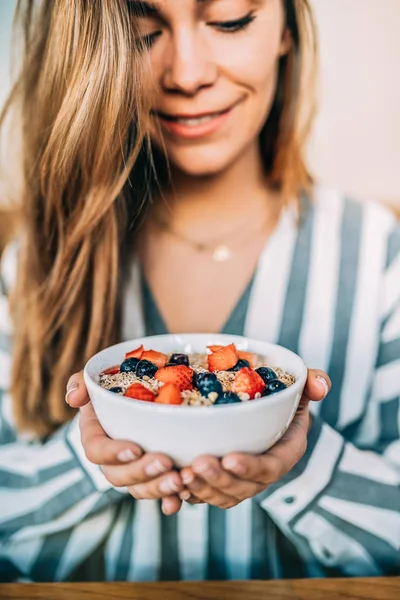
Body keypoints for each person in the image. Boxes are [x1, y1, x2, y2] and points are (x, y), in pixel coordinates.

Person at [0, 0, 399, 583]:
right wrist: (92, 458)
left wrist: (302, 465)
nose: (187, 75)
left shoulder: (376, 255)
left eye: (231, 20)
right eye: (142, 32)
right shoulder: (38, 260)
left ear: (287, 29)